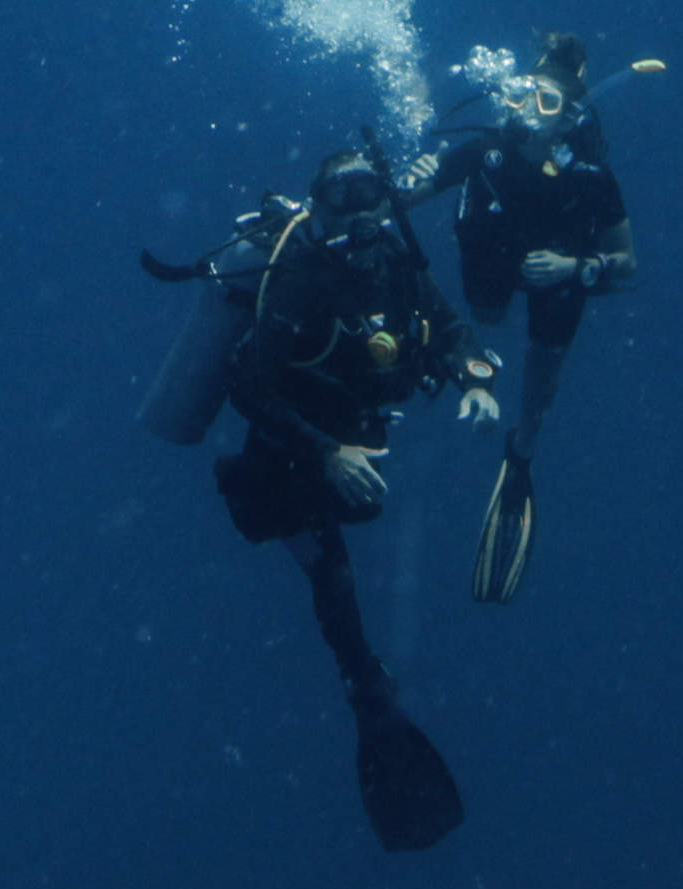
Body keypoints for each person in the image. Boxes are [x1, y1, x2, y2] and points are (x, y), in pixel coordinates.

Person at [138, 145, 496, 852]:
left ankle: (362, 668)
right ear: (320, 203)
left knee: (358, 511)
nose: (361, 209)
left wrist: (473, 378)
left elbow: (447, 326)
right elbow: (245, 383)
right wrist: (327, 453)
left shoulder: (396, 260)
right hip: (293, 443)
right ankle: (362, 678)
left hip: (351, 428)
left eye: (371, 192)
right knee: (322, 554)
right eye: (343, 195)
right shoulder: (301, 275)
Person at [394, 32, 637, 604]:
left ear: (568, 118)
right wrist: (400, 184)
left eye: (547, 103)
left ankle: (522, 449)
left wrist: (577, 267)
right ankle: (480, 363)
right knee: (487, 312)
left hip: (559, 273)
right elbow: (404, 197)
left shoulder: (591, 178)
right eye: (525, 94)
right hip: (495, 263)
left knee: (543, 372)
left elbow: (626, 265)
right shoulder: (483, 151)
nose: (530, 108)